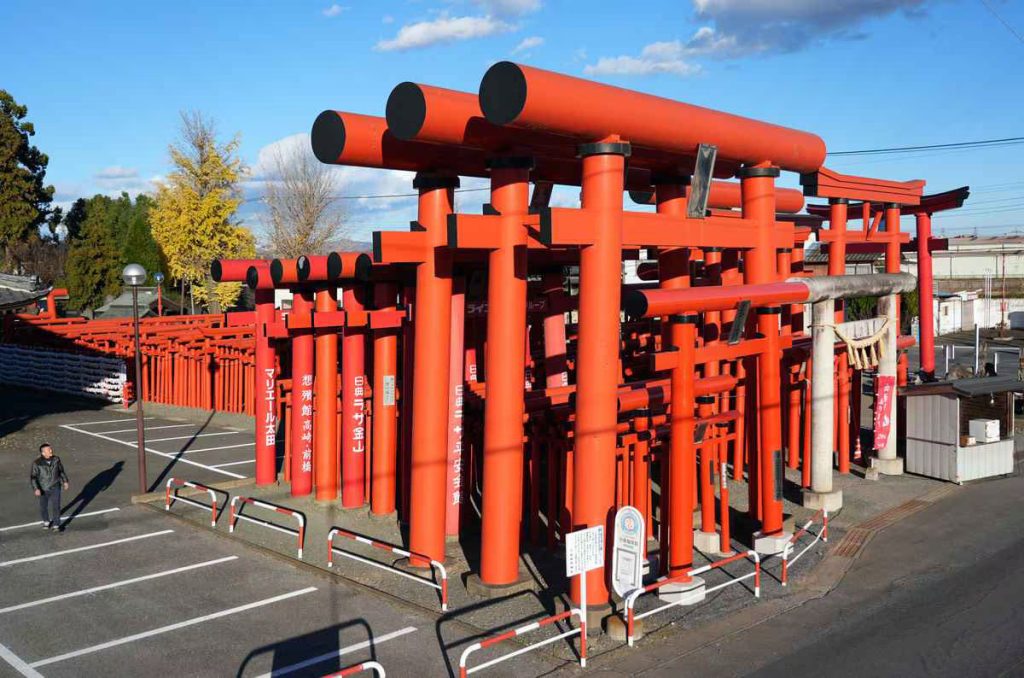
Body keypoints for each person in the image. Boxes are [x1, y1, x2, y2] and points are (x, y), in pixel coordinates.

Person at [30, 443, 69, 530]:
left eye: (51, 449)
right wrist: (36, 488)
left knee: (56, 506)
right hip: (43, 488)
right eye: (48, 450)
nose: (51, 451)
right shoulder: (37, 463)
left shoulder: (56, 459)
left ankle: (56, 524)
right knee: (43, 506)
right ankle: (46, 521)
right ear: (43, 453)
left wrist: (65, 481)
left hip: (55, 486)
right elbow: (33, 477)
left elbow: (61, 471)